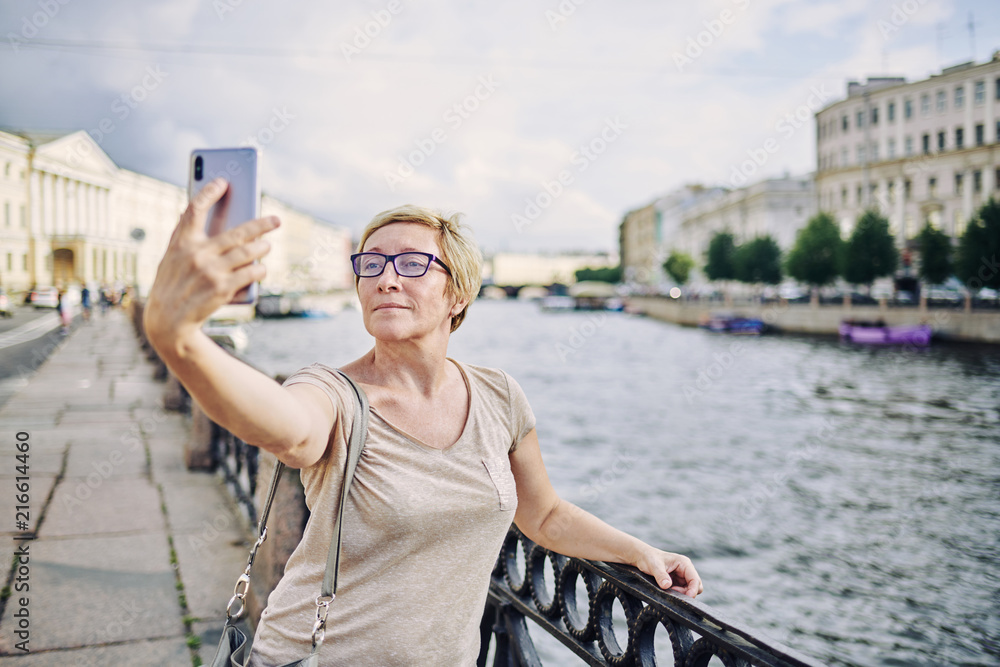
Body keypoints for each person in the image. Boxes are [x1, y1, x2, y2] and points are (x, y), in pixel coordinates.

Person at [143, 178, 702, 666]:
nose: (387, 279)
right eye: (371, 263)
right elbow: (285, 426)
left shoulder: (498, 395)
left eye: (412, 264)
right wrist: (181, 340)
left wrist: (638, 551)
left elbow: (545, 515)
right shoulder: (333, 393)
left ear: (457, 291)